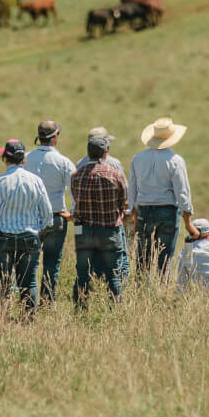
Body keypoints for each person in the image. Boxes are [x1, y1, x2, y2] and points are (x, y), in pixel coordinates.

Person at [0, 139, 54, 317]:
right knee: (29, 284)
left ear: (5, 158)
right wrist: (36, 231)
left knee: (2, 284)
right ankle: (28, 320)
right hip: (29, 236)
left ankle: (3, 319)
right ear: (24, 159)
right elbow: (48, 216)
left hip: (1, 237)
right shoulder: (36, 181)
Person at [128, 117, 198, 277]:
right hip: (168, 211)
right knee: (165, 259)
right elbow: (182, 193)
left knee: (142, 257)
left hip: (143, 210)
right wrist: (188, 221)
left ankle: (141, 289)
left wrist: (132, 212)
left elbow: (132, 188)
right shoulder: (176, 161)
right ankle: (162, 290)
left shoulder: (137, 158)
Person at [70, 131, 130, 308]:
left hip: (84, 229)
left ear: (88, 153)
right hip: (109, 228)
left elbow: (75, 199)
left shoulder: (77, 175)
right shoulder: (115, 174)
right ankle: (116, 309)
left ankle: (80, 308)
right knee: (113, 273)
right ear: (106, 152)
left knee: (82, 273)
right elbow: (123, 201)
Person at [22, 120, 77, 304]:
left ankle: (28, 302)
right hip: (55, 216)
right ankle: (48, 303)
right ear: (54, 138)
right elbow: (75, 190)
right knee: (51, 265)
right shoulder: (64, 162)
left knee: (29, 264)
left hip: (29, 218)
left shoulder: (26, 158)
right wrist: (72, 213)